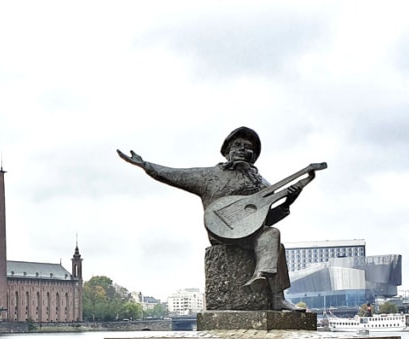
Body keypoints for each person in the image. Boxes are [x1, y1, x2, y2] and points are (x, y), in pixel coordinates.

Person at [117, 126, 317, 311]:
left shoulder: (261, 184)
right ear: (227, 150)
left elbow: (261, 221)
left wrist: (287, 202)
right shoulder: (209, 176)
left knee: (272, 236)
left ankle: (269, 288)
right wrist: (145, 165)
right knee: (273, 240)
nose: (241, 149)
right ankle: (274, 293)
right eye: (236, 145)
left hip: (250, 234)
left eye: (247, 147)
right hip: (220, 233)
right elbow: (173, 174)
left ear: (253, 156)